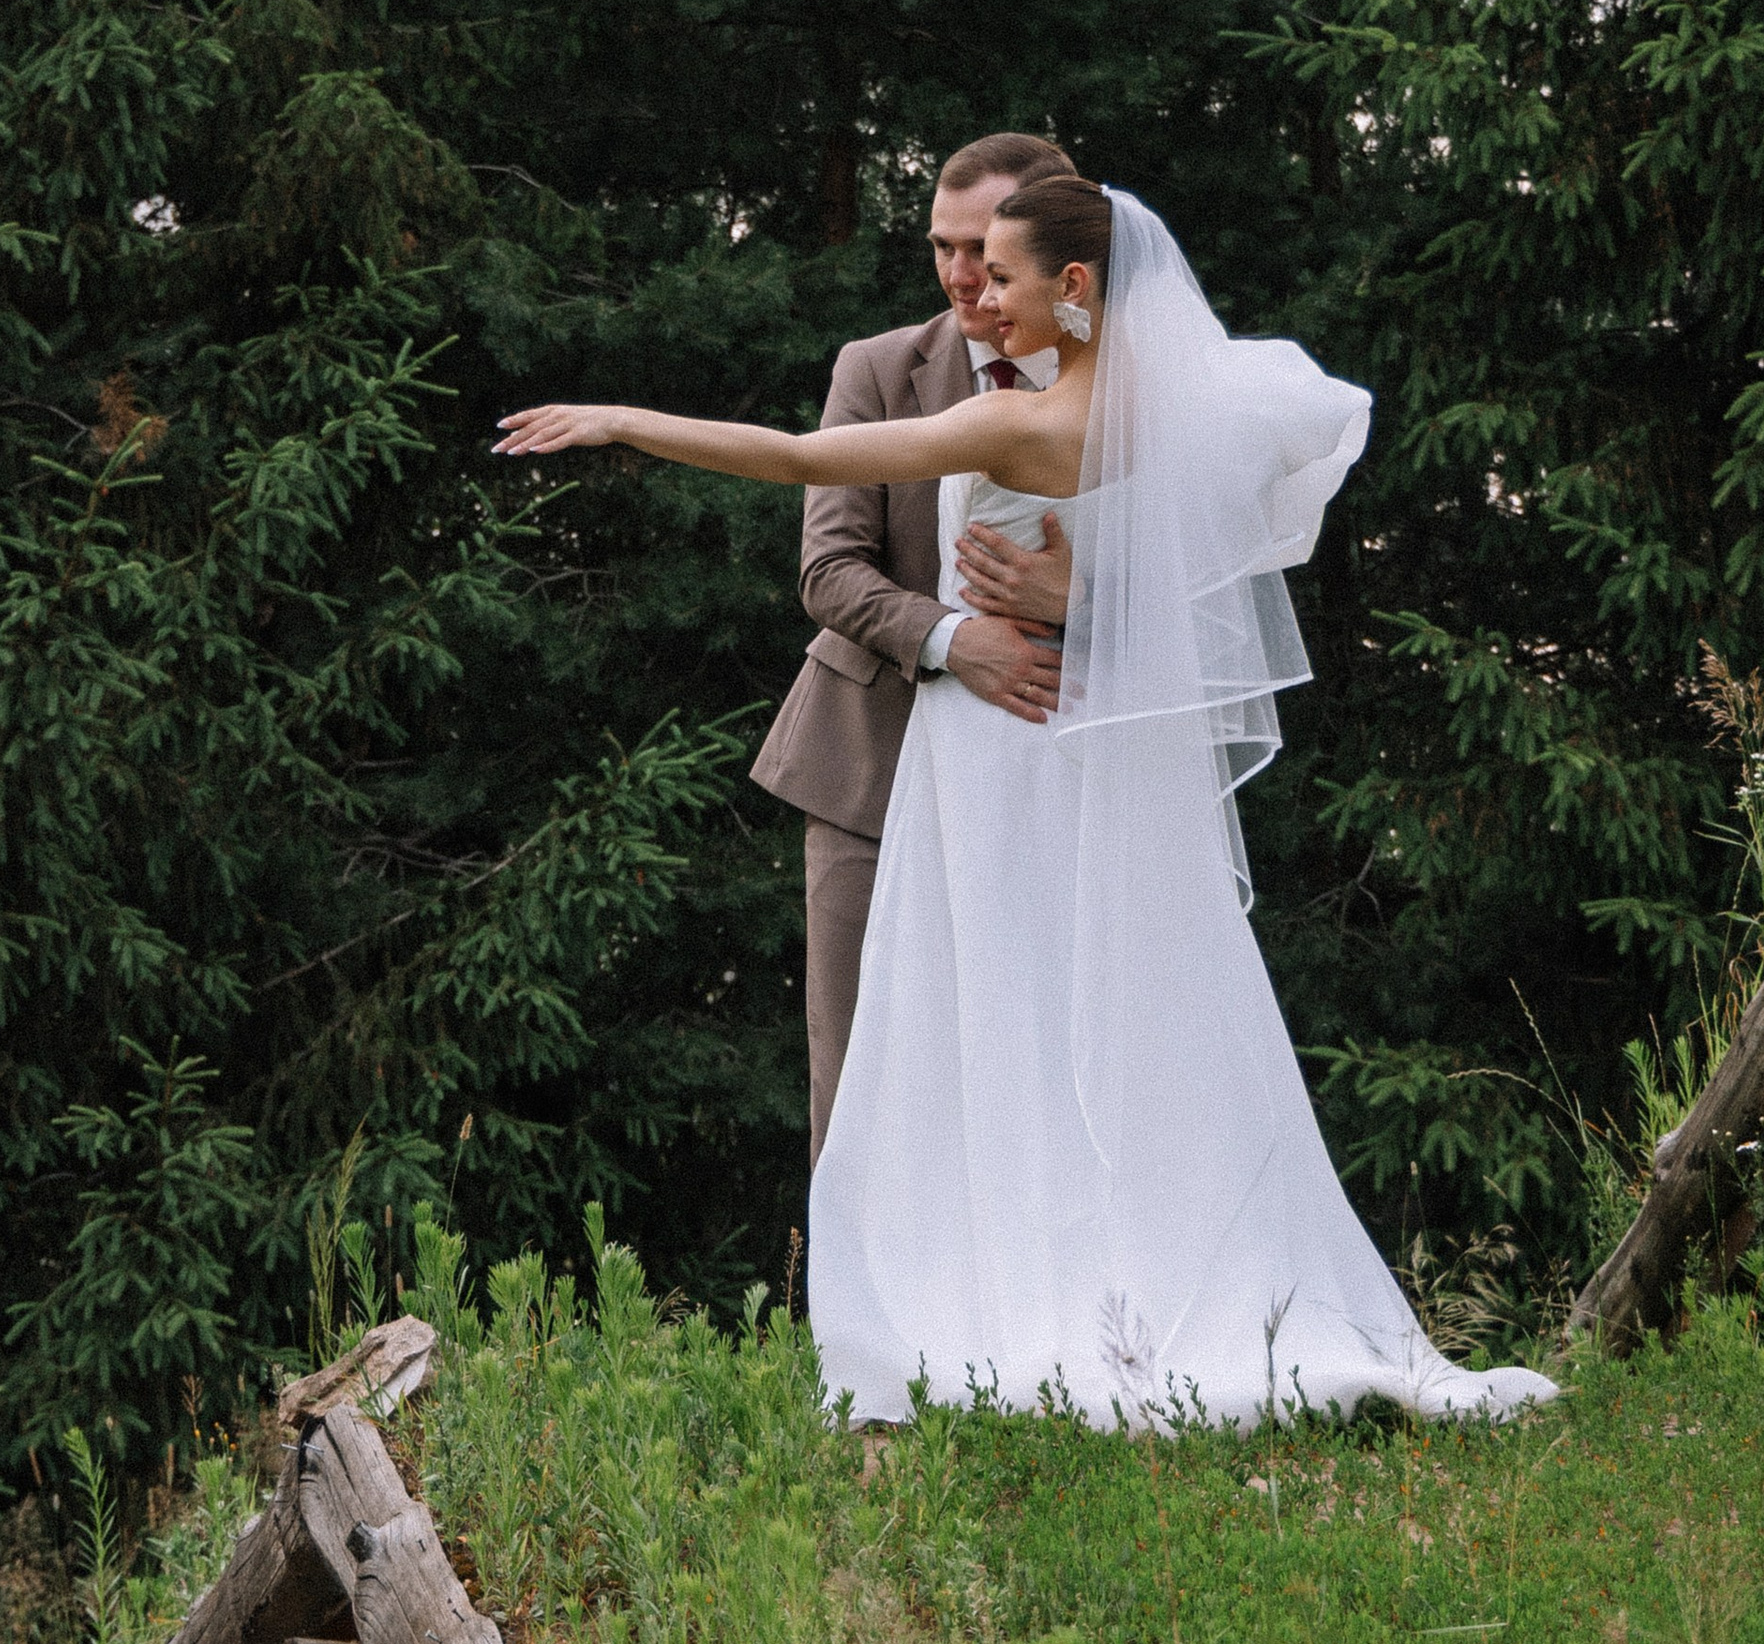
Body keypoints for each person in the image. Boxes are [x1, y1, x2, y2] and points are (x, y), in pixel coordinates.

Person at [495, 178, 1553, 1430]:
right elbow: (1298, 453)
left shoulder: (1020, 425)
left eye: (1000, 276)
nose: (979, 298)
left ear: (1076, 287)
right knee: (1117, 1013)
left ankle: (1018, 1304)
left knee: (994, 1016)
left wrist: (622, 420)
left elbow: (798, 460)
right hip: (1105, 753)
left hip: (998, 756)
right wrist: (1097, 588)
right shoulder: (1203, 409)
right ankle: (1135, 1289)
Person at [747, 131, 1077, 1164]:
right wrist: (951, 638)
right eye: (942, 247)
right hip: (870, 773)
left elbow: (1192, 577)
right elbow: (828, 570)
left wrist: (1079, 596)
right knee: (861, 1074)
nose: (960, 274)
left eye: (983, 250)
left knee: (1038, 1066)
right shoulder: (879, 369)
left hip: (1053, 773)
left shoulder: (1113, 386)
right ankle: (849, 1277)